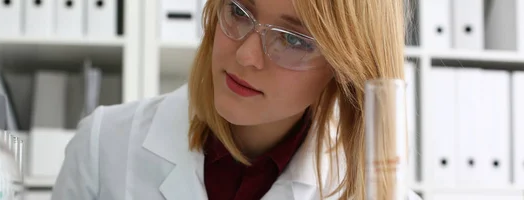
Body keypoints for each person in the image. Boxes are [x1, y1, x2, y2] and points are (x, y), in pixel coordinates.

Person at [52, 0, 421, 199]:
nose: (246, 55)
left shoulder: (380, 196)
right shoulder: (104, 146)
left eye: (294, 40)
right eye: (239, 11)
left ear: (346, 69)